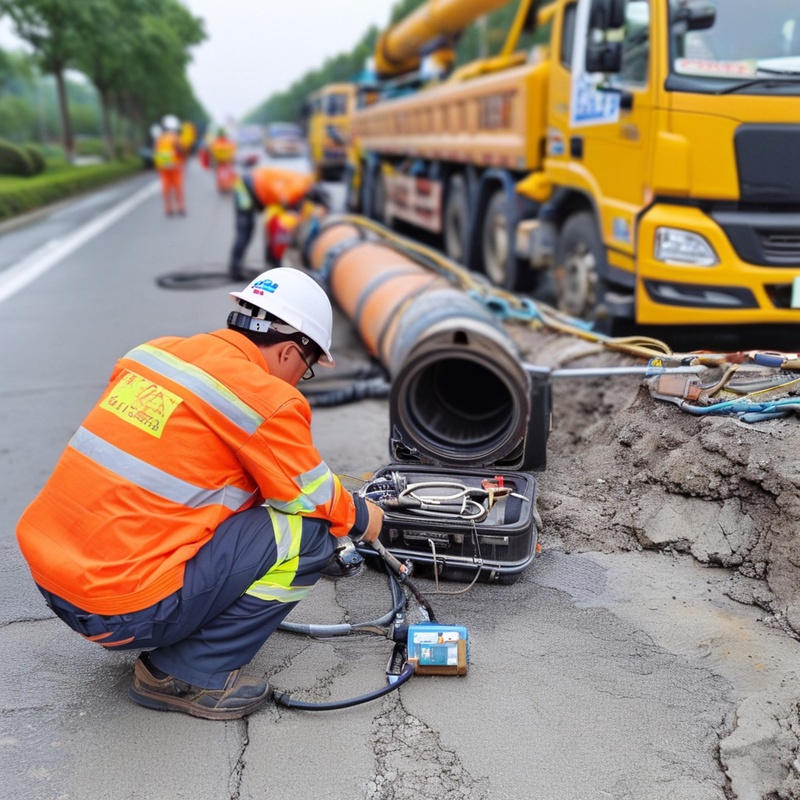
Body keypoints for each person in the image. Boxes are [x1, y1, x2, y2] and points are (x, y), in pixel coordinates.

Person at [15, 267, 384, 720]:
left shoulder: (153, 355)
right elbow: (313, 497)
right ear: (290, 351)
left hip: (55, 581)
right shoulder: (265, 397)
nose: (297, 380)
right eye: (304, 371)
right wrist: (366, 519)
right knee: (307, 538)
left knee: (252, 510)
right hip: (118, 610)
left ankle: (174, 634)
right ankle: (185, 675)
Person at [229, 166, 330, 279]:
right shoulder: (300, 187)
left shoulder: (304, 184)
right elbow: (285, 204)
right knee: (245, 229)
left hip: (254, 187)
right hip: (245, 187)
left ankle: (270, 262)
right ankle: (235, 269)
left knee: (269, 227)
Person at [153, 114, 186, 216]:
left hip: (164, 169)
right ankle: (180, 207)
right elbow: (182, 151)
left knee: (166, 189)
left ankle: (168, 208)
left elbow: (156, 153)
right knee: (178, 188)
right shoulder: (177, 138)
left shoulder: (160, 139)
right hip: (175, 168)